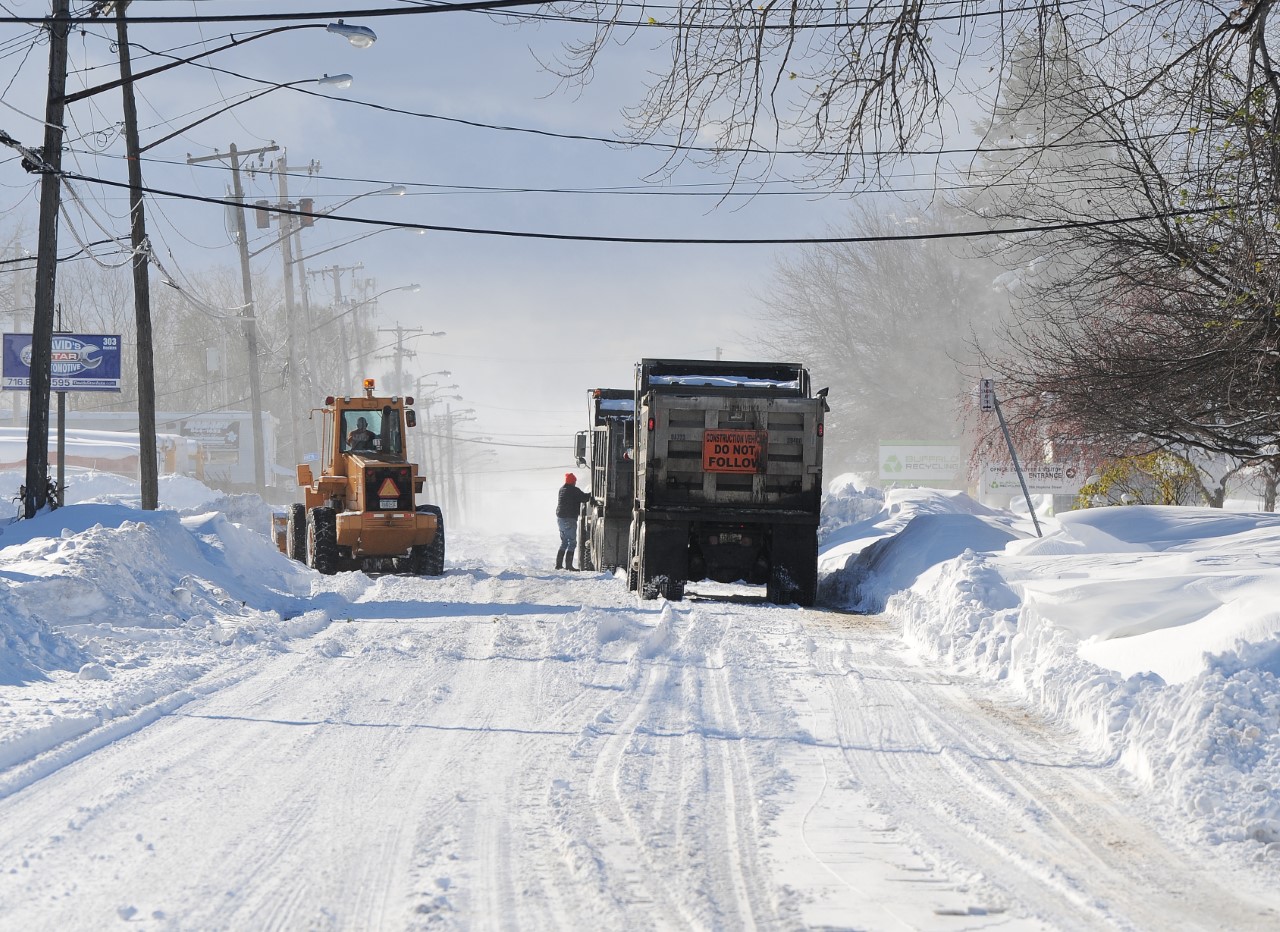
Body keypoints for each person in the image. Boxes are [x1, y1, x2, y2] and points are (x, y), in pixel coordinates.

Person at [555, 472, 590, 570]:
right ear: (573, 481)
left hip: (560, 519)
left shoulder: (562, 490)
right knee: (572, 542)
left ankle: (558, 565)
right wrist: (592, 494)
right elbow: (584, 498)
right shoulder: (574, 490)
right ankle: (569, 566)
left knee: (564, 542)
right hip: (569, 519)